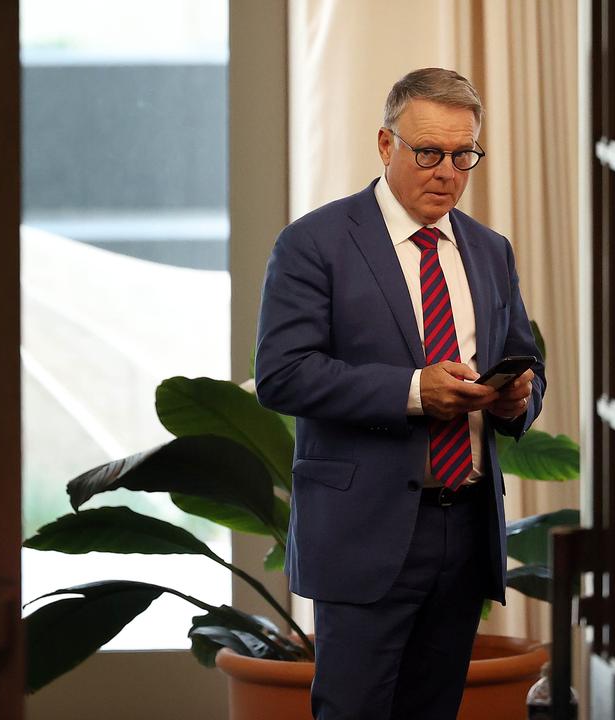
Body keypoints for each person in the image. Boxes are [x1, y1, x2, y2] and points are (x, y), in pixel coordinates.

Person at [254, 67, 546, 719]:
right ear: (386, 146)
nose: (447, 172)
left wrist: (515, 397)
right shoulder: (315, 244)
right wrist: (414, 391)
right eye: (429, 153)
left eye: (463, 155)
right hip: (364, 534)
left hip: (465, 527)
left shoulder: (490, 251)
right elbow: (281, 373)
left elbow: (524, 360)